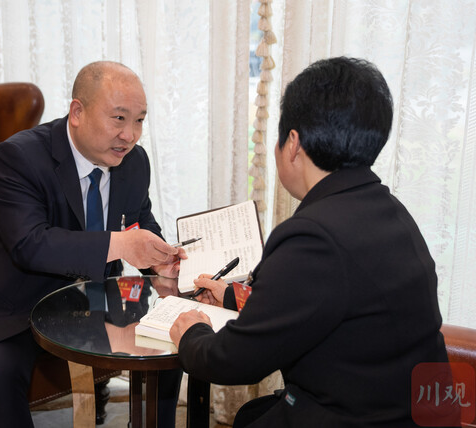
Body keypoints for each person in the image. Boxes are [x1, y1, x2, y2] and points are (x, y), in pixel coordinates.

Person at [170, 57, 454, 427]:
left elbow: (234, 361)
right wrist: (231, 296)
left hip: (356, 417)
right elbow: (328, 303)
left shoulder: (313, 236)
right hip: (407, 411)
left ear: (292, 143)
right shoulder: (388, 209)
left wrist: (192, 332)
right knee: (253, 414)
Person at [0, 61, 185, 428]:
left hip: (100, 299)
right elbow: (30, 244)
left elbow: (139, 221)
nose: (130, 135)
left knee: (172, 337)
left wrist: (159, 260)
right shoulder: (19, 157)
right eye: (119, 118)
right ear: (77, 112)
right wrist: (121, 244)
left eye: (139, 120)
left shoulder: (134, 162)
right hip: (18, 305)